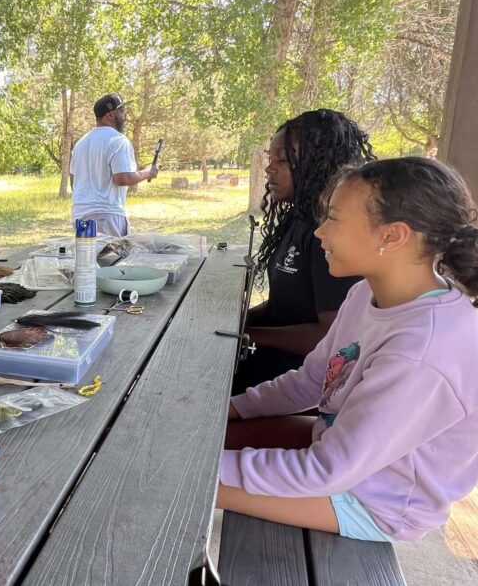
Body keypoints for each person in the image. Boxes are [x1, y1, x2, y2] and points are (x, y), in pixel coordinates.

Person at [218, 157, 478, 543]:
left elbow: (327, 471)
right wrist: (234, 408)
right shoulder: (366, 293)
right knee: (203, 435)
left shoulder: (422, 351)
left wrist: (199, 466)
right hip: (342, 455)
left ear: (392, 236)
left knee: (176, 475)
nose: (320, 233)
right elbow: (311, 380)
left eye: (335, 219)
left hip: (374, 503)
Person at [235, 109, 375, 392]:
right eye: (270, 159)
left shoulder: (331, 236)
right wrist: (236, 324)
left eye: (283, 160)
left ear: (320, 162)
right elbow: (284, 307)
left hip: (299, 380)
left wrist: (246, 334)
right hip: (268, 360)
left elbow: (330, 336)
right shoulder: (298, 217)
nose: (269, 169)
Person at [69, 94, 158, 237]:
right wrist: (147, 173)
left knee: (88, 256)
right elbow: (123, 178)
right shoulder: (118, 140)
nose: (125, 116)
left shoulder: (80, 144)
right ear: (110, 114)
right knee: (113, 258)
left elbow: (74, 183)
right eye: (122, 111)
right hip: (107, 216)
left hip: (81, 216)